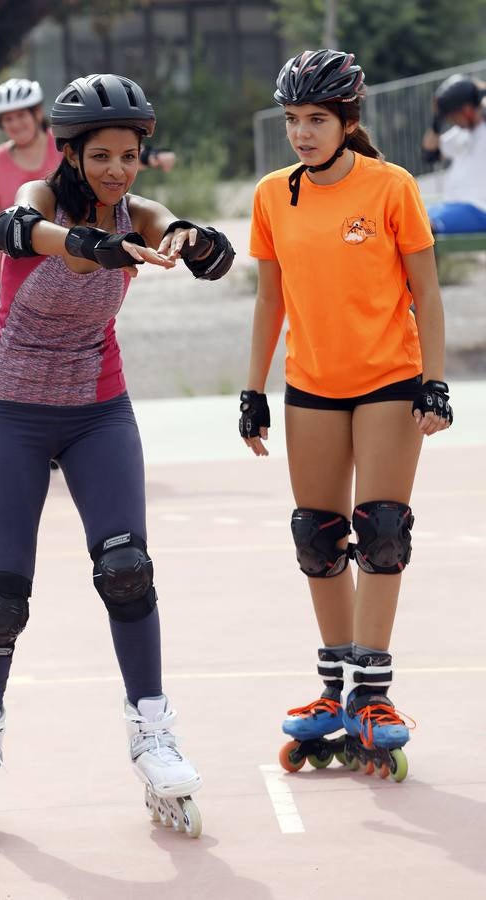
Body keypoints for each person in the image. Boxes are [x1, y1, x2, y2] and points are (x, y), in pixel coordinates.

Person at [0, 72, 235, 844]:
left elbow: (171, 224)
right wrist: (82, 243)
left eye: (129, 155)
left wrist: (192, 238)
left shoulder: (135, 208)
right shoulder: (42, 193)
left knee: (127, 570)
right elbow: (21, 226)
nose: (116, 169)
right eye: (100, 155)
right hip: (10, 412)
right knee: (2, 597)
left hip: (98, 411)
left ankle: (153, 733)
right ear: (70, 153)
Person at [240, 48, 453, 781]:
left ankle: (374, 694)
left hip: (390, 380)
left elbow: (426, 290)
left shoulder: (391, 188)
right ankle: (335, 692)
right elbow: (269, 299)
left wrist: (435, 382)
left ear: (346, 121)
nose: (302, 133)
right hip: (312, 385)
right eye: (294, 119)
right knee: (317, 537)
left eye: (316, 120)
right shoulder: (272, 195)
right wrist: (252, 389)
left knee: (383, 530)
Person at [0, 77, 178, 254]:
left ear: (36, 114)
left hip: (82, 256)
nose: (15, 124)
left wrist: (153, 156)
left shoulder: (63, 144)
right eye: (7, 119)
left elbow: (113, 152)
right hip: (19, 261)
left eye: (20, 115)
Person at [420, 73, 486, 234]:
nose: (451, 121)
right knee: (408, 218)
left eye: (452, 116)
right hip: (452, 206)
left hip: (478, 208)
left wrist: (473, 90)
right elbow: (429, 153)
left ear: (467, 110)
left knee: (421, 227)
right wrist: (437, 120)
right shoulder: (461, 133)